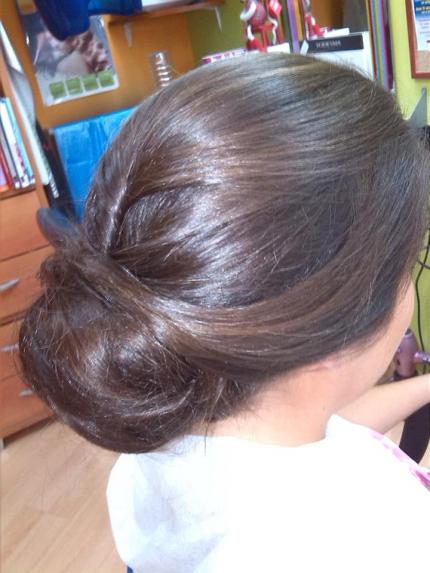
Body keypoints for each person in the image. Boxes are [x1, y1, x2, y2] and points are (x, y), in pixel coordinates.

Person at [19, 53, 430, 572]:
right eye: (406, 264)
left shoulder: (165, 446)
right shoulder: (381, 537)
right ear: (337, 332)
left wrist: (423, 388)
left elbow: (322, 427)